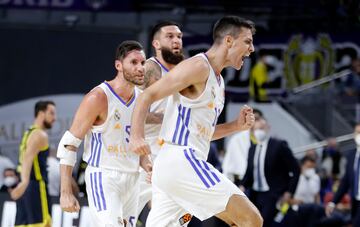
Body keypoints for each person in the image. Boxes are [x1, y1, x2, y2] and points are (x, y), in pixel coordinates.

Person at [129, 15, 263, 227]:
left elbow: (202, 133)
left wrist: (236, 126)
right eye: (247, 41)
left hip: (173, 168)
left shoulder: (217, 82)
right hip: (182, 160)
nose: (252, 49)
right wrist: (136, 136)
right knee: (251, 219)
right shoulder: (198, 66)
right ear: (228, 41)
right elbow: (147, 96)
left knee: (238, 222)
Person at [57, 40, 152, 227]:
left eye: (143, 63)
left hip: (133, 178)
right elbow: (69, 144)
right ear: (118, 65)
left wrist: (147, 163)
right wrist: (65, 192)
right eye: (133, 62)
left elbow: (135, 140)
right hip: (104, 176)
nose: (140, 68)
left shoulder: (142, 98)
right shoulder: (98, 97)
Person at [136, 20, 184, 220]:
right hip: (145, 153)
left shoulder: (185, 70)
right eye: (170, 36)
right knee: (123, 216)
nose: (176, 41)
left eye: (179, 37)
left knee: (175, 216)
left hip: (171, 152)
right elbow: (130, 111)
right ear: (156, 44)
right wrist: (168, 119)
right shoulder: (149, 69)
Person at [241, 116, 300, 227]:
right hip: (255, 194)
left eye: (262, 127)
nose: (259, 131)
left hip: (274, 193)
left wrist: (289, 192)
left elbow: (295, 169)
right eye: (256, 129)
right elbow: (249, 174)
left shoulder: (279, 145)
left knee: (265, 223)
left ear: (268, 127)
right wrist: (241, 187)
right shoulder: (252, 149)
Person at [9, 100, 56, 227]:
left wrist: (23, 183)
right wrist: (24, 182)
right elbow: (27, 159)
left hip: (25, 186)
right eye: (51, 113)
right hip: (35, 186)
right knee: (43, 224)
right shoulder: (40, 135)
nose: (54, 118)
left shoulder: (28, 133)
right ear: (41, 113)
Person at [326, 122, 360, 226]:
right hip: (357, 203)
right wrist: (333, 202)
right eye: (357, 132)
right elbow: (345, 182)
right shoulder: (351, 155)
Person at [222, 108, 263, 184]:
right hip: (240, 180)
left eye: (257, 119)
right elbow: (229, 161)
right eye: (252, 119)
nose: (254, 122)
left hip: (258, 179)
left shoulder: (263, 140)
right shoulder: (237, 139)